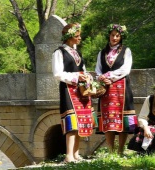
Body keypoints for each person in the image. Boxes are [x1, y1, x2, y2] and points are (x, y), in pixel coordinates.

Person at [52, 23, 95, 163]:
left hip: (81, 91)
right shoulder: (59, 53)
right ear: (69, 37)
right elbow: (58, 73)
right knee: (71, 121)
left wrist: (87, 77)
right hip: (68, 90)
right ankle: (68, 156)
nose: (80, 38)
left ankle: (76, 154)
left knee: (79, 122)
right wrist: (76, 77)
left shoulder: (78, 53)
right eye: (77, 36)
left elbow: (83, 69)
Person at [95, 24, 137, 155]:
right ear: (109, 35)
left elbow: (126, 69)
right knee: (109, 119)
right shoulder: (102, 53)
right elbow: (97, 70)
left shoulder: (126, 51)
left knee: (122, 119)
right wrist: (101, 78)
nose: (114, 38)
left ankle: (120, 150)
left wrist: (109, 76)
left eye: (117, 35)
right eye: (112, 35)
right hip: (106, 89)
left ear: (121, 37)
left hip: (121, 88)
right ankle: (111, 150)